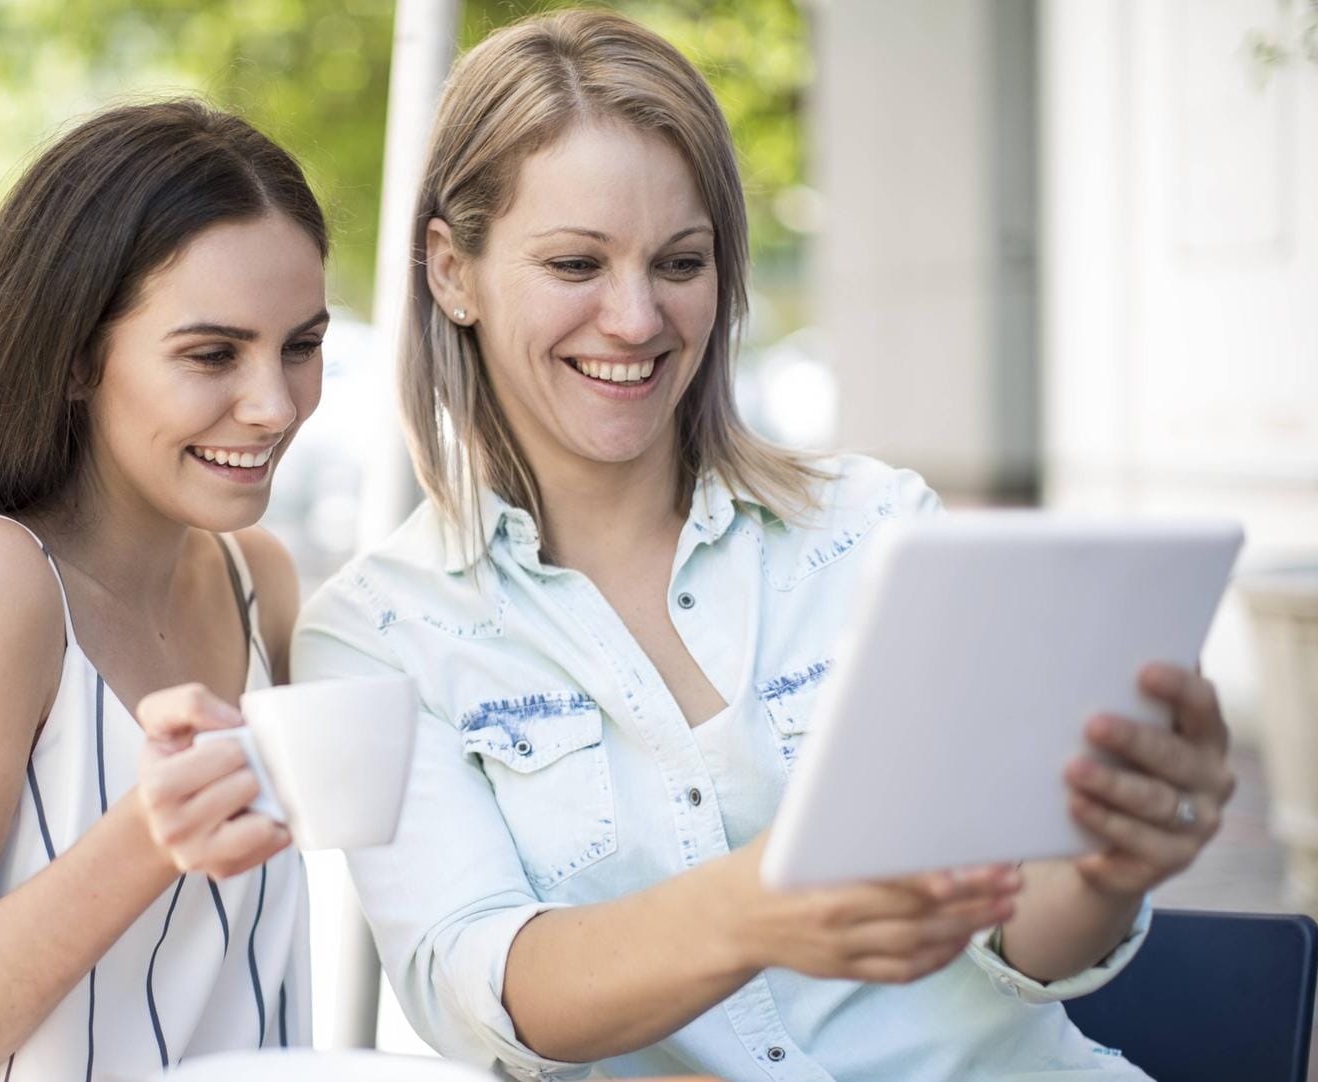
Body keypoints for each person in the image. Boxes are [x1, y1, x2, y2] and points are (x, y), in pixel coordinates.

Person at [291, 11, 1235, 1081]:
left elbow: (1017, 939)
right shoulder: (379, 635)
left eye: (679, 261)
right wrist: (762, 903)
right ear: (451, 272)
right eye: (575, 263)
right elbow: (494, 992)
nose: (637, 317)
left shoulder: (874, 531)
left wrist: (1111, 863)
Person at [0, 99, 329, 1082]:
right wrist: (147, 837)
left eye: (300, 344)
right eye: (212, 353)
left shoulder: (261, 582)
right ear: (77, 356)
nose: (275, 403)